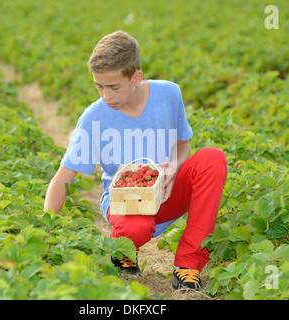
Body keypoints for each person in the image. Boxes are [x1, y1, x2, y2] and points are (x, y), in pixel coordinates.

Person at [43, 31, 227, 291]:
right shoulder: (93, 118)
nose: (106, 95)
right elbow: (62, 179)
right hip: (124, 202)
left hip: (165, 192)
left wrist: (173, 167)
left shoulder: (169, 94)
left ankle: (188, 265)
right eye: (99, 86)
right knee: (134, 231)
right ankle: (123, 251)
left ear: (136, 77)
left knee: (213, 158)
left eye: (114, 87)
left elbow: (182, 146)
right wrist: (45, 229)